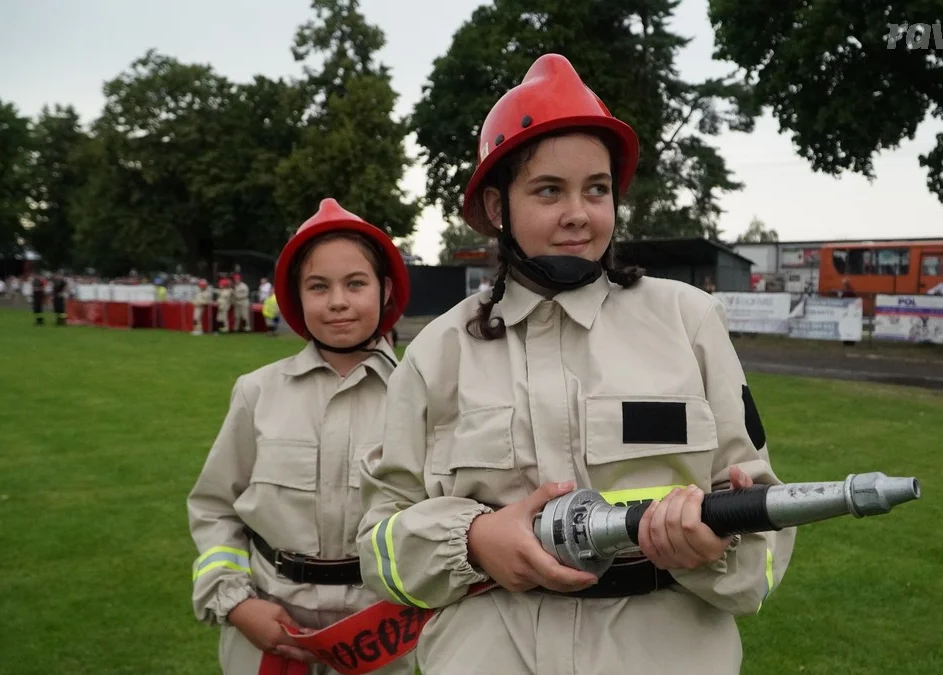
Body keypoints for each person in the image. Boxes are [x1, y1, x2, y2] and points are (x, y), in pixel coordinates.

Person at [356, 54, 795, 675]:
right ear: (497, 205)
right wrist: (473, 542)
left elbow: (765, 523)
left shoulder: (689, 321)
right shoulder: (438, 351)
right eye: (547, 190)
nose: (579, 215)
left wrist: (713, 550)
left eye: (597, 188)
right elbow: (378, 545)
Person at [187, 198, 413, 675]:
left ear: (385, 288)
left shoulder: (421, 396)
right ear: (296, 295)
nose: (337, 301)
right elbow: (214, 509)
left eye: (356, 283)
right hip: (267, 631)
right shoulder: (256, 392)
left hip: (378, 637)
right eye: (319, 286)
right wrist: (236, 603)